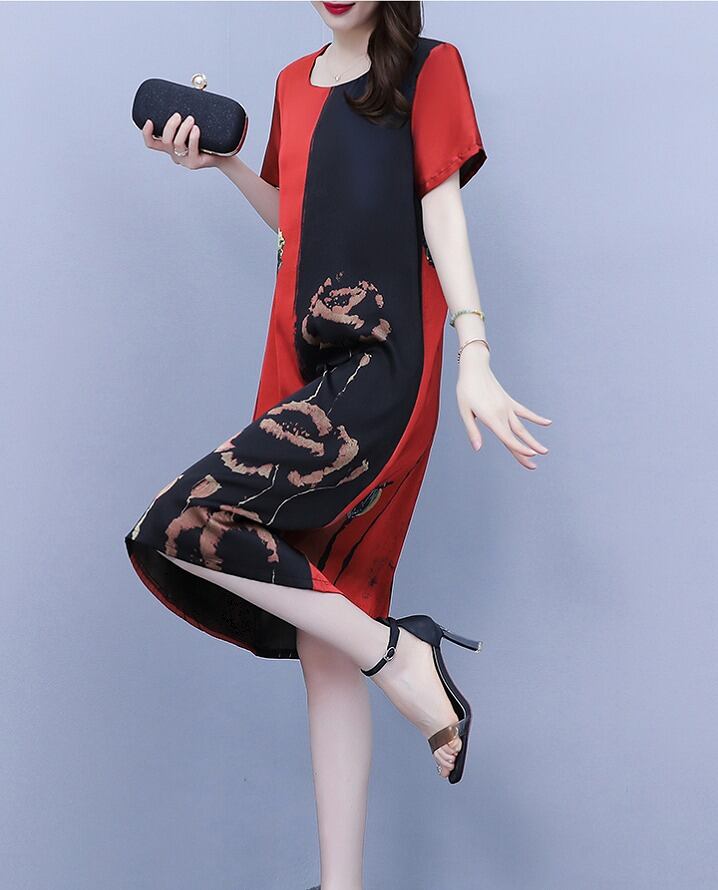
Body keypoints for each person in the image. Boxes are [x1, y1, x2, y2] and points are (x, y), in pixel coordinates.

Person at [125, 2, 551, 886]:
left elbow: (442, 211)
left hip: (383, 365)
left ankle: (399, 655)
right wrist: (225, 163)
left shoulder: (429, 68)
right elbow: (296, 223)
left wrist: (475, 350)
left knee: (184, 521)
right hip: (299, 369)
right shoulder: (291, 83)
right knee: (325, 641)